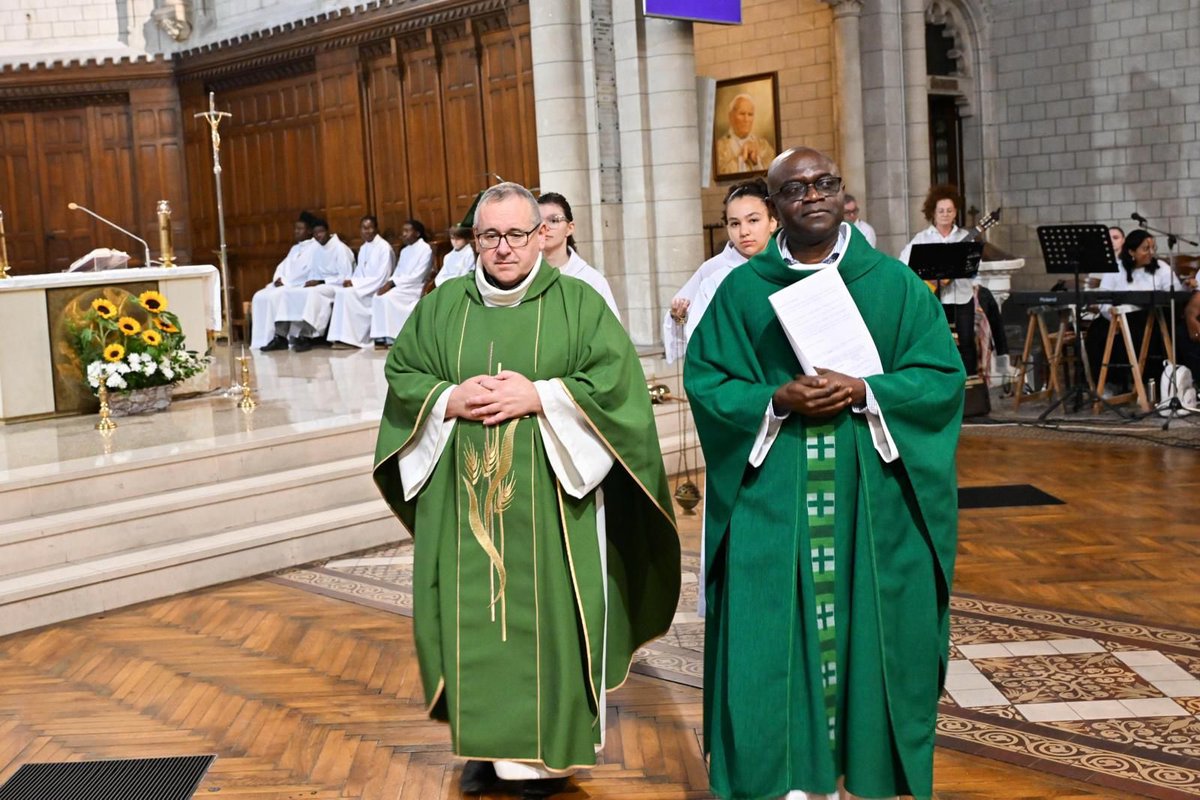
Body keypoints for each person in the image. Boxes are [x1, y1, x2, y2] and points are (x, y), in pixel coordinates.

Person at [372, 182, 679, 798]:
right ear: (473, 241)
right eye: (490, 235)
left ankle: (547, 755)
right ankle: (486, 747)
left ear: (541, 235)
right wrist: (448, 398)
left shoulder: (578, 303)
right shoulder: (444, 304)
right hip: (462, 499)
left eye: (516, 233)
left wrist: (542, 395)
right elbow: (404, 371)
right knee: (472, 616)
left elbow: (616, 384)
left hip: (555, 500)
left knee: (551, 619)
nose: (504, 247)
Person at [685, 147, 965, 800]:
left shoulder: (893, 285)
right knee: (768, 645)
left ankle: (866, 777)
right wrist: (773, 399)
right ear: (775, 206)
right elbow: (707, 382)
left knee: (878, 640)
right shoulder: (741, 293)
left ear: (842, 193)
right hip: (771, 503)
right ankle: (781, 781)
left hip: (875, 502)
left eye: (824, 183)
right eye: (795, 188)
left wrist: (868, 390)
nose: (812, 195)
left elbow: (940, 379)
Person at [662, 178, 777, 365]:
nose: (744, 231)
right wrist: (679, 317)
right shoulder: (713, 272)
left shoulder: (789, 263)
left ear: (772, 222)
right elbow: (694, 333)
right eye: (735, 224)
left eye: (753, 220)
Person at [1084, 228, 1184, 393]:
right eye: (1145, 248)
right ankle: (1110, 383)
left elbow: (1176, 294)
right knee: (1097, 331)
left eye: (1153, 248)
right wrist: (1113, 318)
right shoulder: (1116, 268)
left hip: (1151, 318)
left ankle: (1149, 383)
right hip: (1117, 318)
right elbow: (1104, 299)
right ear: (1131, 251)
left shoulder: (1161, 267)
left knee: (1150, 330)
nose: (1151, 252)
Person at [272, 219, 355, 352]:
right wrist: (310, 282)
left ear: (328, 231)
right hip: (320, 285)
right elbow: (313, 272)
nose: (318, 236)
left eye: (321, 232)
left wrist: (322, 282)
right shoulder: (317, 249)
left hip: (335, 286)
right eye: (315, 233)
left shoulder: (340, 248)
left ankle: (306, 336)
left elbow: (345, 276)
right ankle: (281, 336)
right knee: (295, 292)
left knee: (312, 293)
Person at [536, 192, 620, 319]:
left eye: (553, 220)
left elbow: (611, 326)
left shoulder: (591, 280)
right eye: (539, 221)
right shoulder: (525, 276)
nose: (545, 227)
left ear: (570, 228)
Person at [252, 211, 319, 351]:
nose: (296, 231)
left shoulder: (316, 248)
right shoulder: (295, 248)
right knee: (259, 296)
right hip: (286, 284)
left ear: (309, 231)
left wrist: (287, 282)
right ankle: (262, 339)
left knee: (276, 297)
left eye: (300, 229)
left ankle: (279, 337)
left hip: (298, 286)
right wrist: (278, 278)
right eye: (295, 228)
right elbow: (283, 266)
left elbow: (307, 271)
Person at [328, 215, 396, 348]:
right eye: (364, 228)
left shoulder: (384, 248)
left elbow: (382, 277)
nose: (367, 231)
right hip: (363, 288)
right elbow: (359, 272)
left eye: (370, 228)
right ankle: (341, 337)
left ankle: (353, 339)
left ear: (376, 229)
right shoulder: (364, 248)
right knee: (342, 292)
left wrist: (356, 284)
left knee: (346, 295)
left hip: (376, 289)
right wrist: (352, 281)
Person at [370, 219, 433, 346]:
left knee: (388, 298)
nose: (403, 234)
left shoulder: (425, 249)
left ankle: (394, 336)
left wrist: (393, 283)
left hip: (415, 287)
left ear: (417, 233)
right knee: (378, 296)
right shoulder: (405, 251)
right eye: (403, 231)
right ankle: (381, 335)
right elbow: (397, 273)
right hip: (401, 286)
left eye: (407, 231)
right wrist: (389, 283)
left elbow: (418, 275)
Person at [716, 93, 776, 175]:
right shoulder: (720, 148)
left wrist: (756, 161)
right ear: (731, 117)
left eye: (750, 114)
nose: (746, 119)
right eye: (742, 114)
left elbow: (774, 173)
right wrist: (740, 158)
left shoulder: (764, 146)